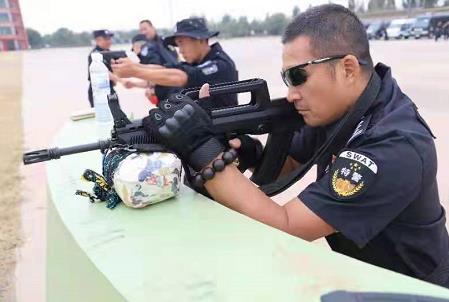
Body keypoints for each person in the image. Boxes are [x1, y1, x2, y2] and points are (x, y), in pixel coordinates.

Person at [142, 5, 449, 287]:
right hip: (367, 275)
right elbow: (285, 165)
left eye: (298, 76)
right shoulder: (343, 110)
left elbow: (286, 226)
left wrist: (202, 150)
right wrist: (244, 150)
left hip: (414, 289)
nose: (291, 94)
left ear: (348, 68)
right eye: (286, 78)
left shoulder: (392, 145)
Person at [112, 17, 238, 108]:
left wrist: (135, 71)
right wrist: (134, 65)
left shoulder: (220, 63)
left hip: (220, 133)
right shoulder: (198, 61)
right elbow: (166, 69)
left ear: (200, 40)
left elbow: (181, 77)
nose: (180, 51)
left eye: (182, 43)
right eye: (177, 45)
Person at [87, 29, 121, 108]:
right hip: (98, 91)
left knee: (117, 114)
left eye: (110, 38)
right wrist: (121, 80)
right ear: (97, 40)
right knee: (103, 116)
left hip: (110, 89)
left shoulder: (109, 52)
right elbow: (104, 72)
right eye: (106, 39)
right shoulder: (94, 55)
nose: (109, 41)